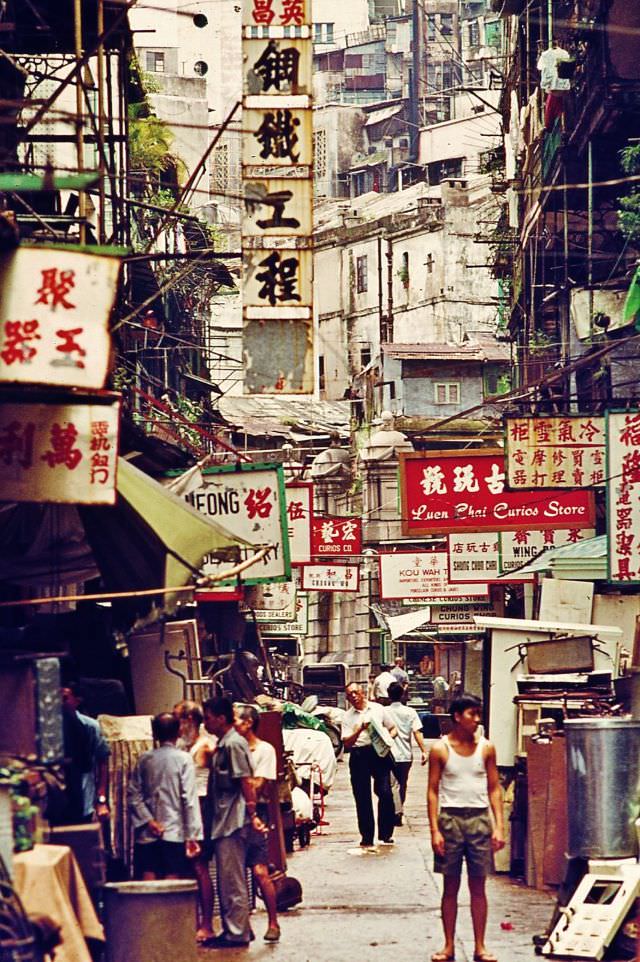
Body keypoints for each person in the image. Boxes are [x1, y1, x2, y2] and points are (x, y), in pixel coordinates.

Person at [427, 694, 505, 962]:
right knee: (450, 886)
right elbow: (432, 791)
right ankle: (448, 946)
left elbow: (494, 788)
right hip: (450, 820)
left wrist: (499, 827)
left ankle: (480, 946)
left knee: (478, 886)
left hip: (480, 820)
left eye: (478, 714)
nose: (477, 719)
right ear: (457, 717)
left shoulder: (486, 749)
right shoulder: (440, 749)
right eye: (472, 714)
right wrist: (435, 830)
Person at [203, 695, 262, 949]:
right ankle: (236, 928)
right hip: (223, 819)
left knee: (232, 880)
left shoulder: (233, 745)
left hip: (233, 820)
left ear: (220, 718)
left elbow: (246, 782)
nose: (205, 724)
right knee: (228, 880)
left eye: (207, 719)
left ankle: (236, 933)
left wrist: (252, 814)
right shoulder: (224, 744)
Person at [128, 712, 202, 880]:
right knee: (172, 879)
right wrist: (193, 835)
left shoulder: (144, 760)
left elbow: (133, 794)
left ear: (154, 734)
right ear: (179, 732)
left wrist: (149, 821)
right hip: (174, 831)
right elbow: (189, 799)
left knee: (148, 878)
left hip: (147, 831)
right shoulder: (184, 760)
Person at [234, 704, 280, 942]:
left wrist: (238, 780)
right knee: (235, 874)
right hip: (232, 812)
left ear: (248, 723)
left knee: (260, 870)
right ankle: (243, 924)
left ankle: (273, 922)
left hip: (256, 812)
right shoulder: (233, 748)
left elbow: (258, 784)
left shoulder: (264, 750)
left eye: (236, 720)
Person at [174, 700, 217, 945]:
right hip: (182, 807)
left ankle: (206, 923)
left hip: (200, 806)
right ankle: (189, 920)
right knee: (186, 867)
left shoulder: (205, 745)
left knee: (199, 866)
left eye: (178, 719)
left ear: (189, 720)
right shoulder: (181, 744)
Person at [341, 681, 397, 850]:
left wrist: (387, 739)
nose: (353, 696)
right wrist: (358, 730)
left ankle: (386, 833)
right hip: (359, 755)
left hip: (378, 753)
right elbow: (347, 744)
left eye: (355, 693)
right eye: (350, 695)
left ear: (362, 692)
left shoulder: (378, 709)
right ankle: (367, 836)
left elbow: (393, 728)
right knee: (362, 796)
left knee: (385, 792)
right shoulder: (347, 717)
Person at [60, 682, 110, 825]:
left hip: (83, 796)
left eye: (65, 698)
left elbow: (102, 762)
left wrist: (101, 800)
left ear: (77, 700)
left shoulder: (89, 726)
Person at [386, 681, 427, 825]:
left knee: (391, 785)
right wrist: (424, 751)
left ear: (388, 695)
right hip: (405, 755)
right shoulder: (410, 712)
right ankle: (398, 810)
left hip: (388, 754)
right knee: (402, 784)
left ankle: (395, 811)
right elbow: (417, 732)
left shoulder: (384, 712)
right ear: (402, 695)